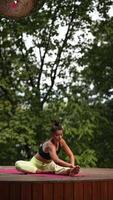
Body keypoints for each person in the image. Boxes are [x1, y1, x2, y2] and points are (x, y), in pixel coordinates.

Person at [15, 121, 80, 176]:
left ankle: (70, 171)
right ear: (52, 134)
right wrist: (70, 165)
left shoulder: (62, 141)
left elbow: (71, 155)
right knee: (18, 164)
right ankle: (39, 171)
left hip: (49, 165)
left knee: (61, 169)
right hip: (35, 164)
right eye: (57, 135)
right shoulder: (50, 145)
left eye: (61, 135)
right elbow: (57, 160)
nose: (60, 137)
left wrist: (72, 166)